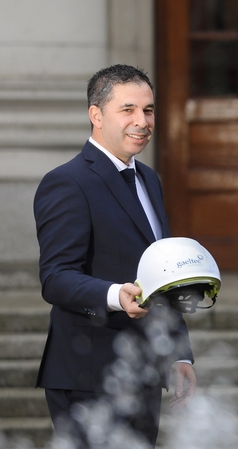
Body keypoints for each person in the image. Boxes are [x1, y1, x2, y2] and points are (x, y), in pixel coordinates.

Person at [33, 64, 196, 447]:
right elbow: (55, 277)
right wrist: (113, 295)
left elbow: (163, 274)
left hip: (142, 371)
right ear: (96, 115)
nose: (142, 121)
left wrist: (179, 354)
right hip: (87, 374)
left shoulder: (149, 179)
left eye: (148, 110)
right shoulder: (67, 182)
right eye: (128, 109)